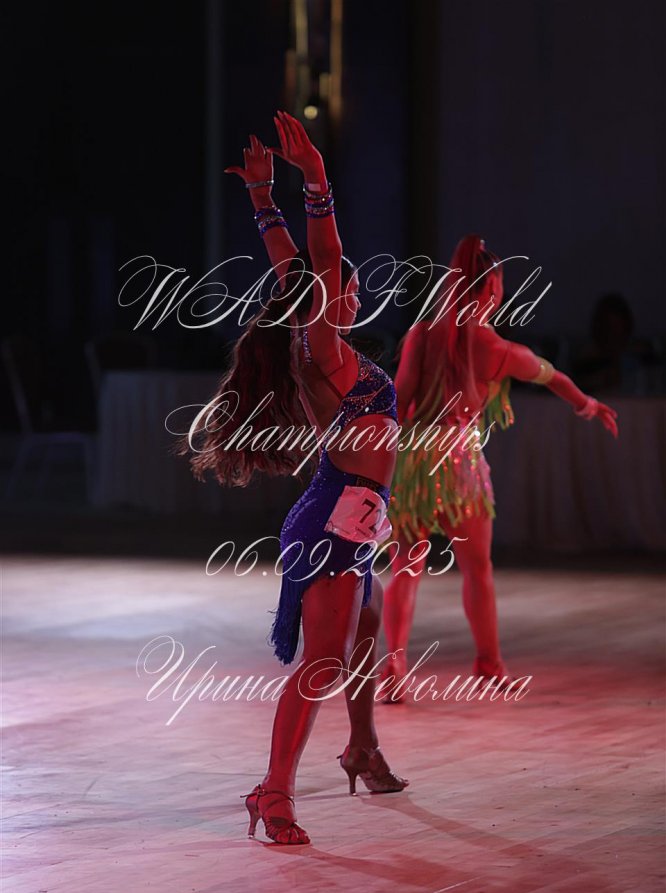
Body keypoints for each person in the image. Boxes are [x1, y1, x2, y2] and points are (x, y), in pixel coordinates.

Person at [182, 112, 407, 844]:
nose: (350, 288)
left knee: (365, 625)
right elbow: (321, 254)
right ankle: (273, 790)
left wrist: (261, 198)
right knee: (323, 662)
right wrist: (315, 181)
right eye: (343, 284)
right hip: (333, 519)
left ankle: (361, 744)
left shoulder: (312, 336)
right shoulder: (325, 347)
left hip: (345, 512)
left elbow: (297, 267)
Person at [382, 234, 618, 701]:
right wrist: (587, 404)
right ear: (491, 288)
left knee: (406, 568)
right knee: (478, 569)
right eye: (500, 284)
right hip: (460, 465)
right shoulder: (497, 348)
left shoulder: (421, 335)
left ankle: (396, 663)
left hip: (413, 463)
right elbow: (551, 375)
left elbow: (399, 401)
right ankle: (488, 661)